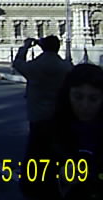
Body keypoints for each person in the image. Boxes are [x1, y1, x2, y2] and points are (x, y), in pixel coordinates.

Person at [13, 35, 72, 198]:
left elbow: (17, 63)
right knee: (55, 154)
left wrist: (25, 47)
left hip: (38, 116)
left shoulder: (36, 66)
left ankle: (32, 186)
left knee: (35, 153)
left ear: (43, 47)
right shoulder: (65, 67)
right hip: (58, 117)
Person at [48, 64, 103, 199]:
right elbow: (28, 182)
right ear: (67, 95)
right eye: (78, 97)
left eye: (93, 99)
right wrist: (59, 176)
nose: (85, 106)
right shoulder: (46, 130)